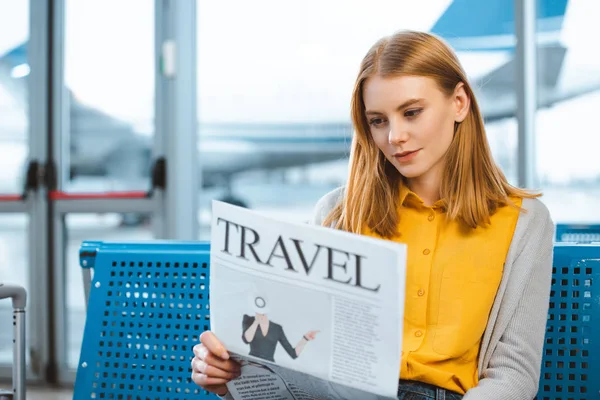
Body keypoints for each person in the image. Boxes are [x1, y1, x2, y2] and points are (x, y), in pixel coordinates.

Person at [191, 30, 554, 400]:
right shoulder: (337, 215)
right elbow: (303, 350)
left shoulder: (524, 222)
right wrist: (230, 373)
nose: (395, 136)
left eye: (412, 113)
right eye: (378, 120)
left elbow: (513, 374)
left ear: (459, 103)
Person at [242, 295, 319, 362]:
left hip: (269, 367)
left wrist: (305, 339)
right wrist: (256, 322)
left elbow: (293, 354)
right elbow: (246, 340)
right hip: (252, 363)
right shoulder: (248, 320)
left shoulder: (277, 328)